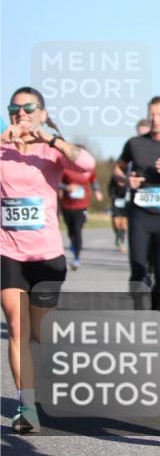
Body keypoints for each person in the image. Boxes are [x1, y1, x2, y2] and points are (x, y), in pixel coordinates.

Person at [2, 87, 96, 432]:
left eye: (29, 107)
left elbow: (86, 163)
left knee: (42, 334)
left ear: (42, 112)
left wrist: (53, 140)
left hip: (46, 255)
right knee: (17, 328)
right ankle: (26, 409)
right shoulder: (2, 149)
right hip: (8, 251)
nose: (21, 113)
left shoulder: (51, 151)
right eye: (15, 108)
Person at [113, 97, 160, 311]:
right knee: (138, 272)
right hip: (139, 216)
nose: (155, 119)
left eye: (159, 114)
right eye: (152, 114)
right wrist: (126, 180)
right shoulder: (135, 144)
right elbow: (117, 169)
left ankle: (155, 313)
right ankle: (140, 315)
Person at [59, 148, 102, 270]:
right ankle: (73, 244)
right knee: (70, 231)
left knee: (78, 230)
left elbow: (93, 180)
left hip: (82, 205)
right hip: (67, 205)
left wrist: (97, 190)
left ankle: (76, 258)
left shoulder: (88, 169)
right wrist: (66, 187)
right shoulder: (65, 168)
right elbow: (57, 182)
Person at [108, 168, 128, 253]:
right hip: (116, 201)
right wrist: (112, 195)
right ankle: (117, 235)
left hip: (126, 201)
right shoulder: (114, 177)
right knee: (116, 223)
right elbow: (110, 189)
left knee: (123, 224)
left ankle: (122, 240)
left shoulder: (129, 175)